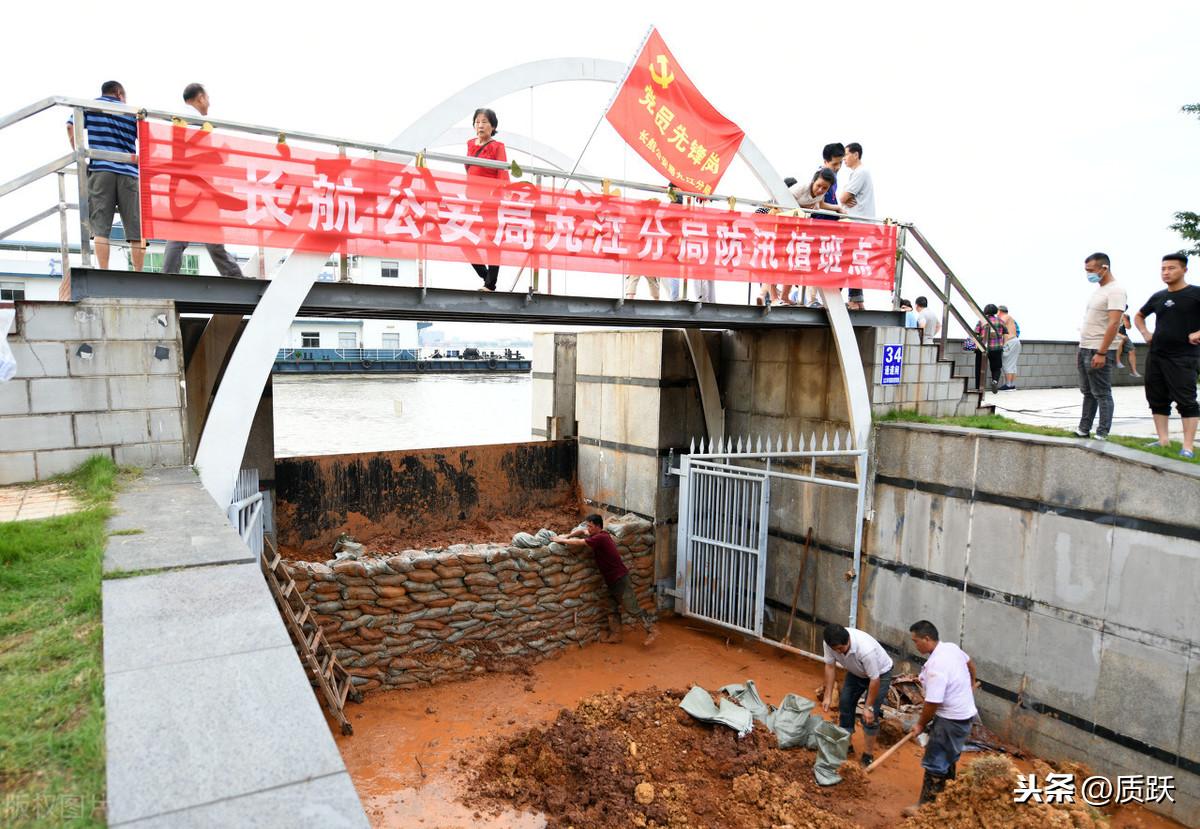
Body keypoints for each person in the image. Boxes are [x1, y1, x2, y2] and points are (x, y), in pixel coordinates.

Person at [162, 84, 244, 278]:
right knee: (211, 233)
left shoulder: (175, 119)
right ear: (200, 98)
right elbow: (195, 153)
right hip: (197, 184)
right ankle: (233, 276)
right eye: (207, 98)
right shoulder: (196, 121)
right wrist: (219, 154)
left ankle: (167, 275)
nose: (209, 102)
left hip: (181, 184)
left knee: (181, 233)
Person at [66, 81, 144, 271]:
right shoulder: (132, 113)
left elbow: (70, 125)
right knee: (136, 229)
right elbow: (146, 139)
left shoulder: (91, 107)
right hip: (129, 173)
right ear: (119, 93)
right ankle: (139, 274)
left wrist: (80, 154)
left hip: (101, 170)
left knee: (101, 227)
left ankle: (104, 271)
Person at [903, 620, 978, 814]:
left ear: (927, 639)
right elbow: (970, 663)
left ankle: (926, 808)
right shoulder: (951, 648)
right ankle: (947, 797)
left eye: (916, 641)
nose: (915, 645)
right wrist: (972, 683)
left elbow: (932, 703)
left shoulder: (936, 667)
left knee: (935, 760)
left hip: (951, 719)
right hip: (963, 715)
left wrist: (920, 725)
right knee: (948, 755)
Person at [551, 514, 659, 645]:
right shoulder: (596, 534)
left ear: (598, 526)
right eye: (588, 526)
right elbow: (581, 531)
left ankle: (652, 629)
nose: (588, 529)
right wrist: (568, 535)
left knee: (631, 608)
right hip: (611, 580)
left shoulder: (601, 538)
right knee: (611, 606)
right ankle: (616, 635)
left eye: (590, 526)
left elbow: (580, 542)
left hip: (620, 579)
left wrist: (562, 540)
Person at [1134, 253, 1200, 459]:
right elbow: (1139, 315)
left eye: (1171, 268)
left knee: (1186, 401)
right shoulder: (1158, 296)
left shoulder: (1196, 294)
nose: (1166, 272)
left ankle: (1187, 447)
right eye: (1163, 269)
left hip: (1183, 356)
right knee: (1157, 398)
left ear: (1184, 270)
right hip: (1157, 355)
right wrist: (1145, 333)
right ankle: (1163, 440)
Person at [821, 624, 895, 768]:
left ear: (848, 640)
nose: (839, 652)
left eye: (841, 649)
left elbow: (874, 679)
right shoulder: (829, 643)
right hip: (857, 672)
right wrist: (827, 695)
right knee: (845, 704)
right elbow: (830, 666)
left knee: (870, 715)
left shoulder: (865, 650)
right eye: (835, 650)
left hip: (880, 674)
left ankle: (868, 755)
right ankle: (846, 746)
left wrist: (868, 707)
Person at [1075, 252, 1126, 440]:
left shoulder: (1116, 291)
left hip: (1099, 349)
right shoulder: (1099, 290)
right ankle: (1083, 428)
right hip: (1085, 347)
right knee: (1087, 392)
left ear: (1104, 268)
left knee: (1102, 393)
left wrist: (1102, 352)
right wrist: (1081, 348)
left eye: (1091, 270)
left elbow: (1114, 323)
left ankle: (1102, 432)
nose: (1088, 274)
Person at [465, 107, 509, 291]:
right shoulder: (470, 143)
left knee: (492, 241)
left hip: (490, 201)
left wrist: (497, 198)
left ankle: (490, 284)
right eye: (477, 122)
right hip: (471, 200)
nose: (480, 125)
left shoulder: (497, 146)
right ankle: (485, 275)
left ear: (493, 126)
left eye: (484, 122)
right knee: (464, 239)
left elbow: (502, 174)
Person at [839, 142, 875, 310]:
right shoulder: (860, 173)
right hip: (862, 223)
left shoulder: (860, 173)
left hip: (857, 224)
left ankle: (845, 297)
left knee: (846, 259)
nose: (844, 159)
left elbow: (844, 198)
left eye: (846, 155)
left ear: (855, 154)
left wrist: (844, 197)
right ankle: (856, 299)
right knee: (855, 261)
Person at [973, 304, 1006, 392]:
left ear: (985, 311)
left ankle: (978, 387)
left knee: (979, 368)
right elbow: (1005, 332)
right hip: (996, 348)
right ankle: (994, 381)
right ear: (995, 311)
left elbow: (975, 333)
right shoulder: (1000, 321)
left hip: (983, 348)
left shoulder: (981, 321)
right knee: (996, 367)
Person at [997, 305, 1020, 390]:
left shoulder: (1005, 316)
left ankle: (1008, 385)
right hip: (1015, 340)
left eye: (997, 312)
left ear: (1000, 311)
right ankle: (1012, 385)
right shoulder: (1011, 318)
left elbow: (998, 324)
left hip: (1010, 342)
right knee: (1012, 365)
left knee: (1007, 364)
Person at [1114, 309, 1141, 377]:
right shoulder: (1112, 315)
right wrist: (1120, 336)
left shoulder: (1125, 316)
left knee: (1132, 350)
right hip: (1114, 335)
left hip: (1124, 336)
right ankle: (1117, 361)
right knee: (1121, 340)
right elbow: (1109, 328)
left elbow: (1128, 327)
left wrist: (1125, 319)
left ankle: (1133, 371)